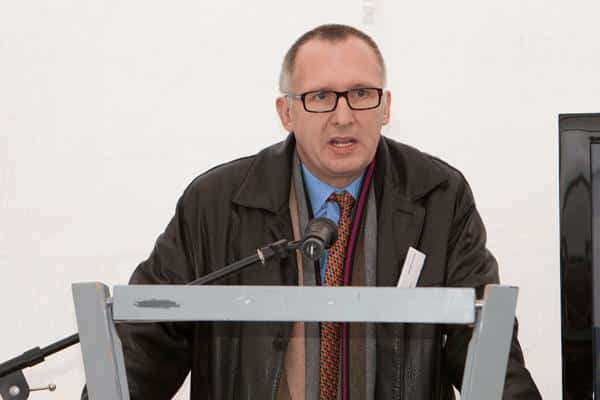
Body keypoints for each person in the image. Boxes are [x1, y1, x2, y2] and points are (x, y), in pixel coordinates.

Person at [116, 24, 541, 399]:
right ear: (287, 112)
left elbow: (485, 350)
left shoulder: (439, 196)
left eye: (360, 94)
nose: (343, 116)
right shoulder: (215, 202)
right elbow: (147, 346)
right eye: (320, 96)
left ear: (386, 106)